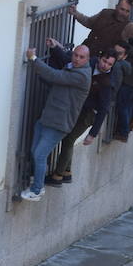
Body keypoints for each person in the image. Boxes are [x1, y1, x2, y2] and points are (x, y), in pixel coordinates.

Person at [19, 38, 91, 201]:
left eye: (81, 57)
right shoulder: (73, 65)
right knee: (35, 151)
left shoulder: (82, 76)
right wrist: (57, 46)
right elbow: (66, 58)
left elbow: (54, 75)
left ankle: (37, 190)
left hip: (59, 124)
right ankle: (37, 181)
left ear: (87, 59)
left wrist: (33, 59)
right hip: (47, 118)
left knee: (39, 155)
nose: (77, 59)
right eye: (76, 55)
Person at [45, 47, 117, 187]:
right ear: (100, 58)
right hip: (77, 109)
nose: (105, 65)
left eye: (109, 64)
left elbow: (103, 110)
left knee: (68, 139)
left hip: (88, 115)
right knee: (67, 138)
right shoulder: (90, 63)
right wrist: (55, 48)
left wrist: (92, 134)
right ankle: (66, 172)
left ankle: (58, 176)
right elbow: (70, 60)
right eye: (104, 61)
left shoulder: (107, 83)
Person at [67, 0, 133, 61]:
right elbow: (89, 22)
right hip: (85, 52)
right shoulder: (105, 13)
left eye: (127, 11)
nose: (123, 13)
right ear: (116, 7)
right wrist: (75, 13)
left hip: (102, 62)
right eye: (122, 9)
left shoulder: (128, 27)